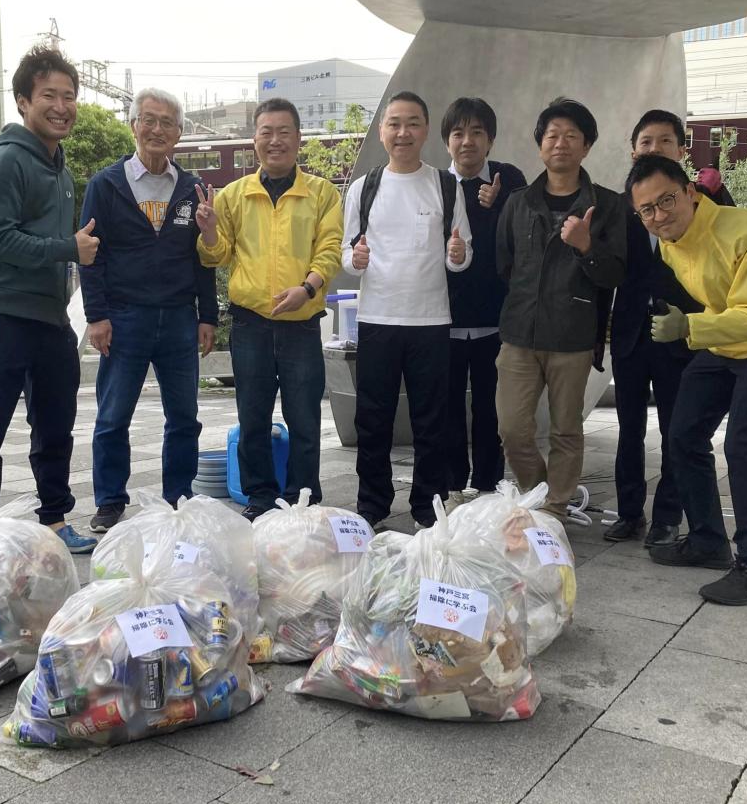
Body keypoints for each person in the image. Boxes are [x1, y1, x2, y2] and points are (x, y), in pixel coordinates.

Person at [627, 154, 747, 605]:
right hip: (725, 340)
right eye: (646, 211)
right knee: (683, 434)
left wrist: (689, 328)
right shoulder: (671, 243)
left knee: (743, 446)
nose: (658, 216)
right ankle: (708, 540)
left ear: (691, 193)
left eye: (666, 201)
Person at [0, 46, 99, 553]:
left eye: (69, 96)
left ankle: (55, 520)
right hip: (2, 315)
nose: (62, 106)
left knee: (56, 425)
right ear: (23, 101)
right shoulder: (7, 160)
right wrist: (70, 248)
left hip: (49, 317)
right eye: (48, 96)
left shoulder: (57, 165)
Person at [196, 98, 342, 522]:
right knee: (253, 418)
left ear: (298, 139)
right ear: (254, 140)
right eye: (266, 132)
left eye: (283, 132)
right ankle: (259, 498)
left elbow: (330, 250)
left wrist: (307, 288)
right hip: (250, 325)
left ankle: (303, 498)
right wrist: (207, 234)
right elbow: (217, 256)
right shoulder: (236, 195)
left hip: (301, 325)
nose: (274, 140)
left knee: (304, 417)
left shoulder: (321, 193)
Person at [80, 88, 218, 530]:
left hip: (179, 317)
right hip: (124, 318)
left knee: (184, 417)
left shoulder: (193, 188)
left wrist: (207, 315)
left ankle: (178, 498)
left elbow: (204, 255)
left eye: (167, 123)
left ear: (179, 133)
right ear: (134, 125)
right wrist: (96, 316)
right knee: (113, 414)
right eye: (149, 120)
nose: (157, 130)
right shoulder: (106, 185)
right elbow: (90, 255)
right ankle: (109, 501)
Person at [342, 91, 473, 530]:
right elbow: (347, 251)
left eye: (412, 123)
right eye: (394, 123)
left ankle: (426, 507)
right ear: (382, 131)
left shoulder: (446, 185)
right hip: (377, 319)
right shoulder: (364, 188)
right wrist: (353, 261)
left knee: (431, 421)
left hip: (431, 322)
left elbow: (463, 254)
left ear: (425, 130)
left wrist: (456, 252)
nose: (403, 132)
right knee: (372, 419)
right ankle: (372, 505)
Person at [495, 98, 626, 520]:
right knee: (512, 428)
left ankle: (553, 510)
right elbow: (505, 264)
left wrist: (587, 246)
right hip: (519, 333)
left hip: (572, 334)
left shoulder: (607, 205)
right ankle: (537, 494)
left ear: (586, 147)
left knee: (566, 429)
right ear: (539, 146)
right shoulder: (517, 203)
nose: (561, 143)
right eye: (552, 135)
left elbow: (616, 273)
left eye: (572, 136)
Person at [605, 110, 707, 547]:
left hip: (680, 333)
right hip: (631, 333)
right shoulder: (618, 206)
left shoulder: (703, 201)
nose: (654, 150)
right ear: (633, 151)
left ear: (681, 150)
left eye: (664, 142)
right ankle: (630, 513)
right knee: (628, 429)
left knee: (675, 429)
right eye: (646, 143)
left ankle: (667, 516)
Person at [441, 97, 527, 503]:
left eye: (477, 132)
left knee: (494, 411)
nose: (467, 141)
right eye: (458, 133)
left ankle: (490, 487)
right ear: (446, 142)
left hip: (496, 318)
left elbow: (526, 229)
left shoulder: (508, 180)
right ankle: (453, 483)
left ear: (490, 140)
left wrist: (501, 204)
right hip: (445, 318)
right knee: (449, 409)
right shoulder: (437, 186)